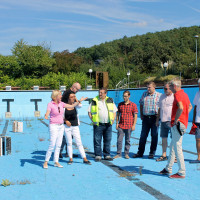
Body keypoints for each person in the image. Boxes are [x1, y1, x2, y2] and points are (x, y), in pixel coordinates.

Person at [43, 90, 87, 169]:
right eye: (60, 95)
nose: (61, 96)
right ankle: (46, 161)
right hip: (53, 126)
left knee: (59, 145)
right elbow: (47, 112)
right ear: (56, 96)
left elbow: (71, 106)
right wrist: (46, 115)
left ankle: (56, 161)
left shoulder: (61, 103)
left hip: (61, 126)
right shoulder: (50, 104)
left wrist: (79, 101)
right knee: (52, 144)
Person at [160, 79, 192, 178]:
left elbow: (181, 107)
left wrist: (176, 120)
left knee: (177, 147)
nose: (168, 88)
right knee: (173, 146)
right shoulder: (184, 94)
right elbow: (189, 106)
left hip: (178, 124)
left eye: (170, 86)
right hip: (182, 123)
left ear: (174, 86)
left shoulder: (177, 95)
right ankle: (168, 168)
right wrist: (184, 117)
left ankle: (181, 171)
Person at [88, 87, 117, 162]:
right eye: (99, 92)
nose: (100, 94)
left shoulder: (110, 100)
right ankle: (98, 155)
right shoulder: (95, 100)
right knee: (97, 140)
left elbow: (114, 111)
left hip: (108, 124)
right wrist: (93, 120)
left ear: (105, 93)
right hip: (98, 124)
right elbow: (89, 111)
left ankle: (107, 155)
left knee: (107, 140)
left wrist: (113, 120)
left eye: (101, 93)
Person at [133, 81, 161, 159]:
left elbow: (160, 108)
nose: (148, 89)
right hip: (145, 118)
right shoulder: (144, 94)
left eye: (149, 87)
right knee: (143, 136)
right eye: (147, 87)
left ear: (154, 87)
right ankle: (140, 152)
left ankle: (152, 153)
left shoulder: (159, 95)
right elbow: (141, 104)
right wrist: (141, 114)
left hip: (155, 118)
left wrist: (158, 118)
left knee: (154, 136)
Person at [64, 93, 91, 165]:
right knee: (69, 143)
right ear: (68, 98)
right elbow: (60, 115)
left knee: (79, 142)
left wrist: (77, 99)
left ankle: (84, 158)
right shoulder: (64, 106)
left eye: (74, 96)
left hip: (75, 126)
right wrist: (66, 121)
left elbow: (80, 105)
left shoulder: (76, 105)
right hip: (67, 127)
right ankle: (70, 158)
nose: (73, 98)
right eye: (72, 97)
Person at [59, 82, 81, 158]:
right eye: (77, 90)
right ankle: (60, 151)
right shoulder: (69, 93)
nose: (77, 91)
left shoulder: (68, 92)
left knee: (69, 137)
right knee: (65, 137)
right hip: (66, 116)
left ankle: (67, 152)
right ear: (74, 87)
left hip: (68, 115)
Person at [114, 90, 138, 159]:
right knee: (119, 140)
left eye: (126, 96)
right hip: (121, 125)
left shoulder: (133, 105)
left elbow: (135, 116)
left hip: (129, 125)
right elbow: (118, 114)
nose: (124, 97)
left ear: (129, 96)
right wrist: (117, 123)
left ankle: (126, 153)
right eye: (123, 96)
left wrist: (134, 125)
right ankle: (118, 153)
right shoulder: (120, 104)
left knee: (127, 141)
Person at [156, 82, 174, 161]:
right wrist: (157, 119)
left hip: (171, 121)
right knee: (164, 138)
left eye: (167, 88)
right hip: (163, 121)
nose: (165, 90)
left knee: (174, 139)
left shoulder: (174, 96)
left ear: (171, 88)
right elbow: (159, 109)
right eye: (164, 88)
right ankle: (164, 154)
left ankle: (175, 156)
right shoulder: (161, 96)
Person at [191, 78, 200, 163]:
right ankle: (199, 157)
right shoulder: (197, 93)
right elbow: (195, 107)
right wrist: (193, 119)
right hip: (198, 120)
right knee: (198, 139)